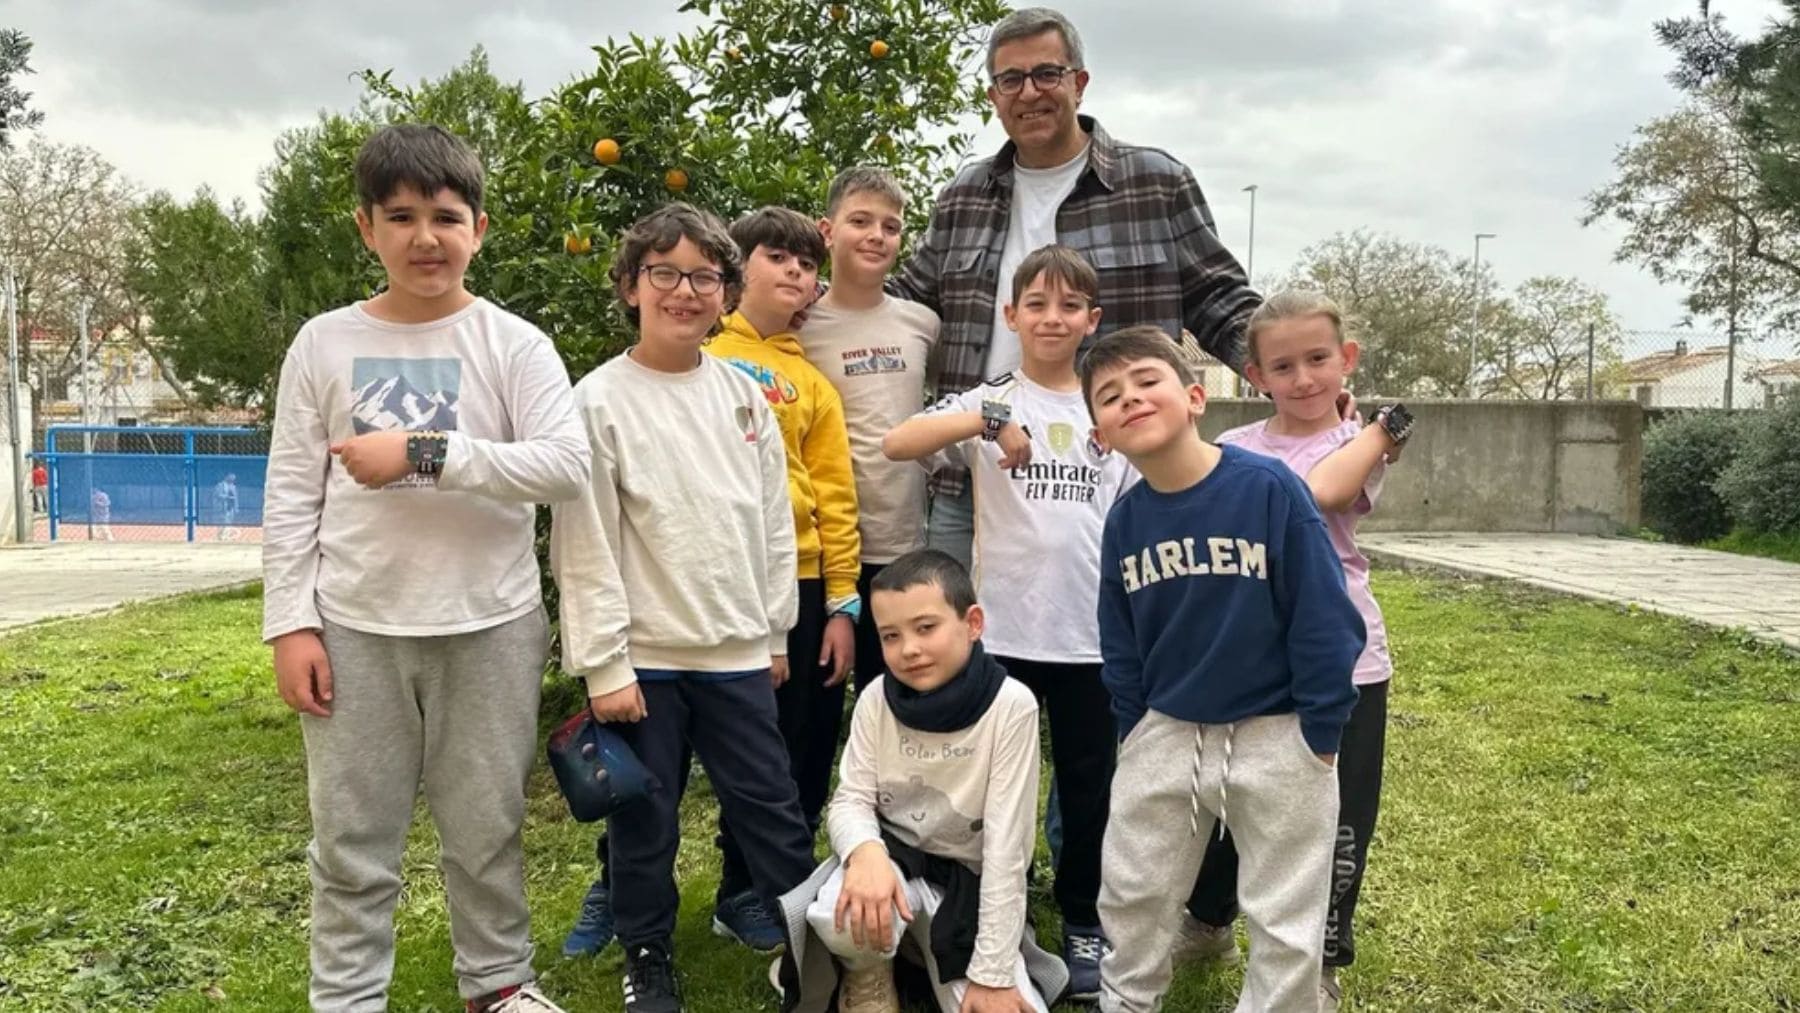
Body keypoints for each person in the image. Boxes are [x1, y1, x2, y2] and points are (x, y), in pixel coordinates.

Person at [261, 123, 590, 1013]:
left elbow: (567, 464)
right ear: (366, 227)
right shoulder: (322, 343)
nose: (425, 237)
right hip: (354, 625)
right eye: (399, 216)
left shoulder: (514, 344)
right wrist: (290, 621)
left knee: (487, 828)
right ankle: (346, 996)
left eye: (446, 216)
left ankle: (498, 983)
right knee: (351, 837)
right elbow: (292, 493)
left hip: (490, 621)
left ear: (479, 228)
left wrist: (429, 449)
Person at [549, 202, 817, 1013]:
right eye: (664, 273)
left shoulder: (742, 398)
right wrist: (605, 663)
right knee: (645, 821)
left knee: (772, 809)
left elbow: (773, 521)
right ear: (631, 285)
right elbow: (583, 539)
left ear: (725, 292)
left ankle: (819, 949)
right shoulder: (597, 400)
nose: (685, 290)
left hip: (737, 649)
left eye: (705, 275)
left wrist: (775, 630)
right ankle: (647, 954)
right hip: (646, 660)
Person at [889, 6, 1259, 568]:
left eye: (1047, 73)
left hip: (1116, 477)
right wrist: (804, 304)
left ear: (1079, 83)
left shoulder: (1155, 183)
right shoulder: (964, 195)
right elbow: (906, 302)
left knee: (1121, 643)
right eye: (1010, 79)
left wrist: (1291, 373)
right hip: (978, 483)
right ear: (994, 96)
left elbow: (1221, 300)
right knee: (962, 647)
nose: (1029, 91)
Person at [1080, 325, 1365, 1013]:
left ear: (1195, 396)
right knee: (1134, 888)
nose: (1132, 398)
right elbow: (1120, 640)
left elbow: (1324, 616)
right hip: (1168, 728)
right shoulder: (1125, 521)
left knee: (1283, 908)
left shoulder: (1267, 488)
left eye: (1147, 380)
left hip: (1277, 730)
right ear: (1100, 433)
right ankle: (1127, 999)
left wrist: (1319, 732)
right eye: (1110, 395)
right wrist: (1135, 729)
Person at [883, 245, 1133, 1000]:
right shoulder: (992, 396)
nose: (1052, 318)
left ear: (1092, 319)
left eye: (1069, 306)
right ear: (1011, 314)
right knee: (1000, 793)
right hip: (1007, 638)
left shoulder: (1108, 404)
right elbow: (898, 442)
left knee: (1092, 786)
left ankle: (1085, 919)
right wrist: (989, 420)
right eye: (1038, 304)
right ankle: (1004, 916)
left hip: (1091, 639)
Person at [1178, 291, 1412, 1011]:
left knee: (1339, 818)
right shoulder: (1238, 446)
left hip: (1348, 665)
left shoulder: (1355, 445)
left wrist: (1376, 433)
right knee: (1230, 796)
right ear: (1256, 375)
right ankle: (1209, 918)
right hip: (1255, 661)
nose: (1304, 377)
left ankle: (1319, 959)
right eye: (1284, 365)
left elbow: (1320, 492)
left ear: (1347, 360)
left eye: (1319, 359)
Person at [777, 549, 1066, 1013]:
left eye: (925, 628)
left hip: (965, 889)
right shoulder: (876, 699)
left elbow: (1007, 849)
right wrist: (864, 852)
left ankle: (921, 951)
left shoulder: (1012, 706)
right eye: (890, 636)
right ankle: (867, 973)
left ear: (973, 623)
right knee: (839, 911)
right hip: (893, 865)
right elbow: (850, 799)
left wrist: (992, 975)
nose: (908, 648)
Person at [702, 205, 862, 949]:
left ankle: (784, 883)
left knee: (804, 736)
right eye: (779, 257)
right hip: (716, 578)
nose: (796, 272)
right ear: (739, 269)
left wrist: (841, 605)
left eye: (807, 265)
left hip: (801, 584)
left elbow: (835, 496)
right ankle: (733, 883)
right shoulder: (700, 355)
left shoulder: (815, 385)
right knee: (741, 741)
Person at [799, 167, 940, 693]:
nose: (877, 236)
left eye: (891, 226)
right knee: (812, 714)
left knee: (900, 705)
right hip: (821, 550)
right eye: (860, 221)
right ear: (827, 230)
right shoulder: (798, 323)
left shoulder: (922, 324)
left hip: (901, 547)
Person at [213, 472, 240, 540]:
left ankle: (226, 537)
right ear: (227, 476)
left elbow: (235, 498)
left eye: (234, 478)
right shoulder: (220, 485)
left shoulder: (233, 487)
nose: (233, 478)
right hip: (222, 508)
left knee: (228, 523)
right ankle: (219, 537)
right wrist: (227, 497)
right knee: (222, 523)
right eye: (231, 476)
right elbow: (218, 495)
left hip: (230, 508)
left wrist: (236, 508)